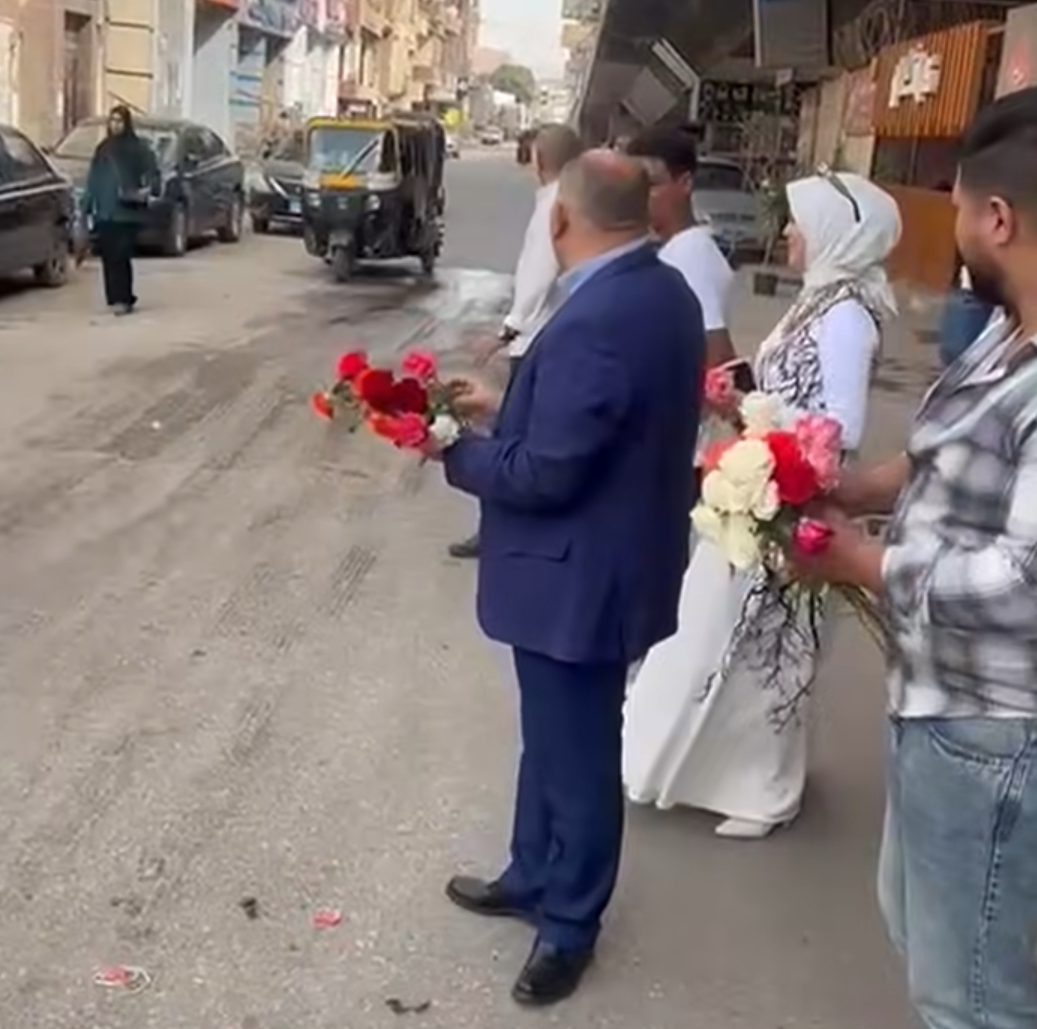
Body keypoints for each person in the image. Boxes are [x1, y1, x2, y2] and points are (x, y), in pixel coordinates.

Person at [428, 150, 706, 1005]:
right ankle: (532, 871)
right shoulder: (662, 289)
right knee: (552, 736)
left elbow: (548, 472)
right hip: (611, 562)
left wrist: (452, 449)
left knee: (578, 752)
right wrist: (504, 406)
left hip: (582, 576)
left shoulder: (601, 313)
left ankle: (569, 923)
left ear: (560, 219)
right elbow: (603, 419)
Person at [802, 86, 1037, 1029]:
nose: (958, 236)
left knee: (974, 996)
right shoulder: (1008, 331)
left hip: (1003, 732)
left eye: (961, 213)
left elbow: (1027, 582)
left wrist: (863, 562)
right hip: (941, 703)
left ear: (999, 219)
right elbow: (944, 450)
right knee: (925, 939)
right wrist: (856, 488)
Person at [623, 169, 901, 838]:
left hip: (793, 500)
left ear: (833, 233)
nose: (787, 234)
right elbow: (790, 389)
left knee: (766, 651)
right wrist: (742, 395)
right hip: (763, 486)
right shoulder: (820, 299)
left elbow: (840, 429)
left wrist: (751, 408)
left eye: (798, 223)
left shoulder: (846, 317)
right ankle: (690, 766)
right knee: (715, 636)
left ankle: (762, 791)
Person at [448, 124, 583, 560]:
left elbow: (539, 275)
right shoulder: (569, 200)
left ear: (539, 159)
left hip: (535, 339)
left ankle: (499, 528)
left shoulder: (554, 206)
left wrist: (507, 330)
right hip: (550, 336)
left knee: (511, 437)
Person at [625, 125, 737, 368]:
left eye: (651, 184)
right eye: (635, 186)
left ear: (685, 184)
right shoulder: (673, 249)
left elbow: (717, 354)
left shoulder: (692, 253)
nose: (639, 196)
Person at [80, 104, 159, 315]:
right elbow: (93, 179)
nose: (115, 125)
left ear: (127, 123)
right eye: (112, 121)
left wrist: (148, 189)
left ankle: (125, 298)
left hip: (127, 211)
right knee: (109, 256)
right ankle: (114, 297)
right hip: (106, 211)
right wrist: (87, 206)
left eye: (119, 121)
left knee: (121, 254)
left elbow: (152, 172)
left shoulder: (137, 148)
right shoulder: (103, 149)